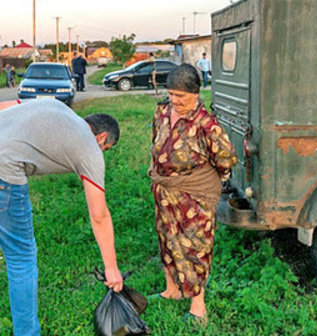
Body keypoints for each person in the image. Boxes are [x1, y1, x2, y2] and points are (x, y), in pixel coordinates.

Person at [0, 99, 124, 336]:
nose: (101, 154)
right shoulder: (89, 147)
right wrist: (112, 269)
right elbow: (99, 215)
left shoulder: (56, 106)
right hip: (4, 173)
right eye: (105, 149)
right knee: (21, 259)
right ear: (101, 138)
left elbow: (7, 106)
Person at [148, 64, 237, 323]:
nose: (175, 101)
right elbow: (155, 140)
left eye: (181, 97)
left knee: (195, 246)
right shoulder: (162, 111)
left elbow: (225, 158)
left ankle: (198, 307)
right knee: (166, 239)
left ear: (196, 94)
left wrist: (199, 180)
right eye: (172, 94)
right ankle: (172, 290)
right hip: (165, 191)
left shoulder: (206, 124)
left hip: (194, 194)